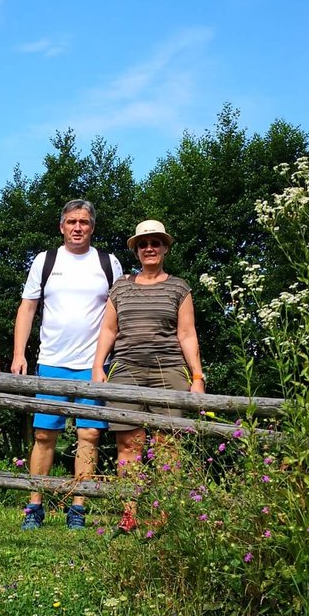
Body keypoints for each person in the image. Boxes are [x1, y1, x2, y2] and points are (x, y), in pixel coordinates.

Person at [11, 199, 123, 530]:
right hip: (51, 362)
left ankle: (78, 509)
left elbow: (118, 313)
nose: (78, 227)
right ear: (61, 226)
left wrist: (109, 360)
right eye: (72, 221)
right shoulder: (45, 261)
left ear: (92, 227)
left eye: (84, 222)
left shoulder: (108, 263)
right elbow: (27, 307)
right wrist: (20, 354)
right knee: (45, 435)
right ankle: (34, 507)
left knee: (89, 434)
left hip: (95, 366)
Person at [91, 219, 205, 535]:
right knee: (128, 443)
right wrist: (99, 366)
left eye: (155, 242)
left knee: (168, 445)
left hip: (168, 370)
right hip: (125, 370)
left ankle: (167, 515)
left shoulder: (178, 287)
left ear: (165, 247)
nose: (149, 248)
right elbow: (109, 329)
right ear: (137, 250)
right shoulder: (121, 287)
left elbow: (186, 333)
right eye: (143, 244)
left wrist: (197, 376)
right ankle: (129, 515)